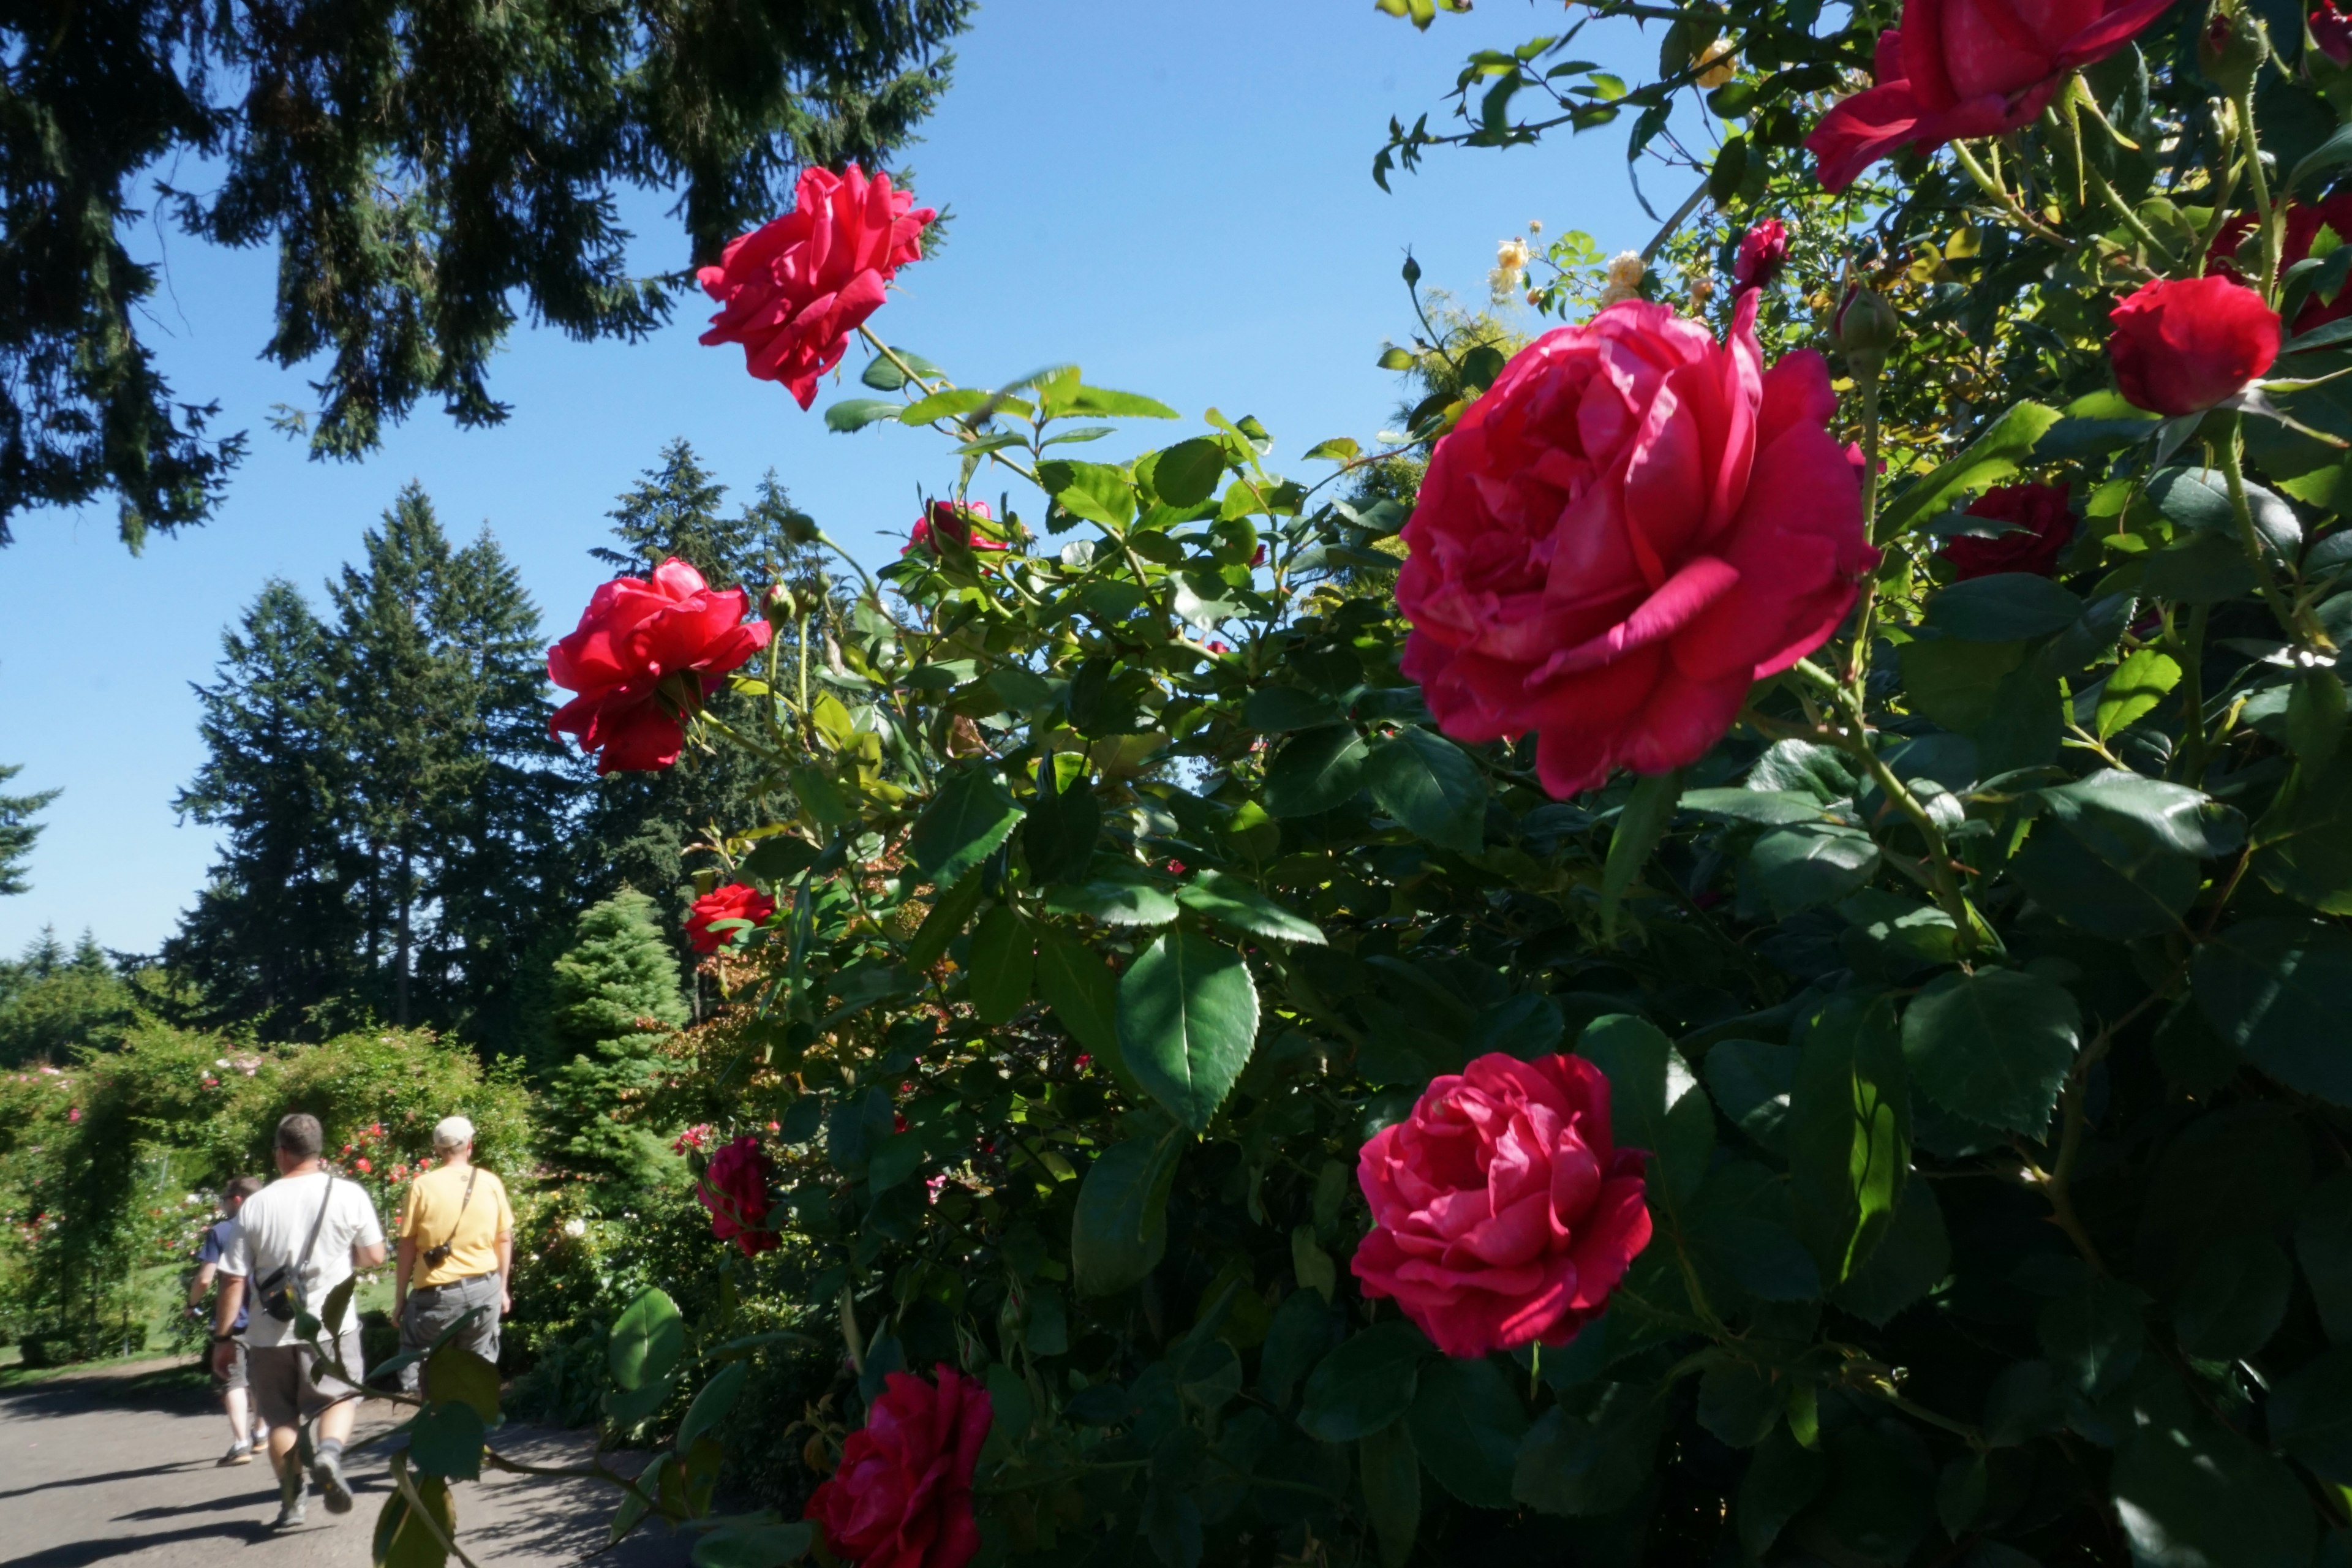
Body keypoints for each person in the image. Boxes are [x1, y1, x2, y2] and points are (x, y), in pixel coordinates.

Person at [210, 1112, 386, 1530]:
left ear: (281, 1153)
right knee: (340, 1397)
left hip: (269, 1332)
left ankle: (292, 1503)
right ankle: (328, 1451)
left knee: (280, 1418)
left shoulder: (255, 1205)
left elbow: (233, 1278)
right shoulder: (349, 1194)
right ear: (318, 1150)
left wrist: (223, 1339)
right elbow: (375, 1256)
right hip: (331, 1326)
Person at [393, 1115, 514, 1390]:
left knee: (431, 1375)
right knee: (476, 1374)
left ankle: (436, 1426)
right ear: (469, 1144)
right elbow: (504, 1239)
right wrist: (502, 1289)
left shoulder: (422, 1186)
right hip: (483, 1291)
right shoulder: (490, 1182)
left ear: (437, 1150)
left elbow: (407, 1246)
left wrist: (400, 1298)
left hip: (435, 1299)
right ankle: (474, 1429)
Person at [187, 1175, 268, 1464]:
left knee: (231, 1380)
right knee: (260, 1380)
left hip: (232, 1321)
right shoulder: (269, 1228)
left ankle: (241, 1444)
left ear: (236, 1200)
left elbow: (206, 1279)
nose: (222, 1206)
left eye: (224, 1200)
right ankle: (261, 1434)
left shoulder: (221, 1232)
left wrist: (191, 1304)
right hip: (266, 1318)